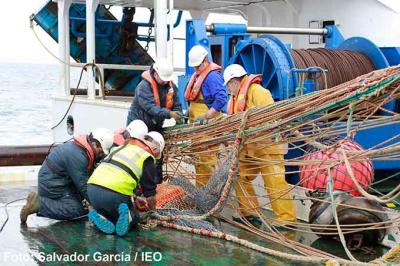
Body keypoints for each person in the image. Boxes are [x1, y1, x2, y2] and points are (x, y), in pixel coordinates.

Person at [223, 64, 296, 227]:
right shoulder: (235, 98)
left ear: (235, 81)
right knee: (238, 175)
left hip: (266, 146)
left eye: (228, 84)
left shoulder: (258, 92)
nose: (227, 89)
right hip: (248, 148)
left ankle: (286, 218)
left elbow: (269, 118)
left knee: (274, 181)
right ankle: (249, 211)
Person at [20, 128, 114, 223]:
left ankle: (41, 201)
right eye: (101, 152)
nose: (101, 156)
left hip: (59, 180)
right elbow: (84, 186)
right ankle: (39, 204)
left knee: (81, 204)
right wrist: (102, 210)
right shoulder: (78, 157)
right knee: (78, 211)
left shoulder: (81, 150)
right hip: (51, 184)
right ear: (95, 144)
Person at [87, 131, 165, 237]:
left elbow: (117, 174)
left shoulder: (120, 148)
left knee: (111, 212)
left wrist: (135, 197)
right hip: (114, 194)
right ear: (155, 149)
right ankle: (130, 217)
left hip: (92, 190)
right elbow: (149, 192)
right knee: (135, 215)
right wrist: (152, 211)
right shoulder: (147, 157)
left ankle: (101, 215)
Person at [126, 58, 183, 183]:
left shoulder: (170, 86)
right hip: (139, 124)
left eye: (167, 79)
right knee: (137, 154)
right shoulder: (143, 87)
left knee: (157, 155)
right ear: (155, 73)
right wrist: (169, 114)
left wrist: (178, 116)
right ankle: (137, 185)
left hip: (155, 124)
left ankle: (156, 184)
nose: (165, 81)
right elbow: (150, 108)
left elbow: (176, 103)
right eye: (163, 78)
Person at [185, 45, 227, 187]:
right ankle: (201, 192)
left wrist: (207, 116)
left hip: (207, 127)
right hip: (197, 128)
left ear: (205, 61)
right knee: (200, 160)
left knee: (207, 160)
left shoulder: (212, 77)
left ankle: (208, 194)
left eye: (197, 66)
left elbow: (221, 99)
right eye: (194, 66)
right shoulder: (198, 75)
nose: (195, 69)